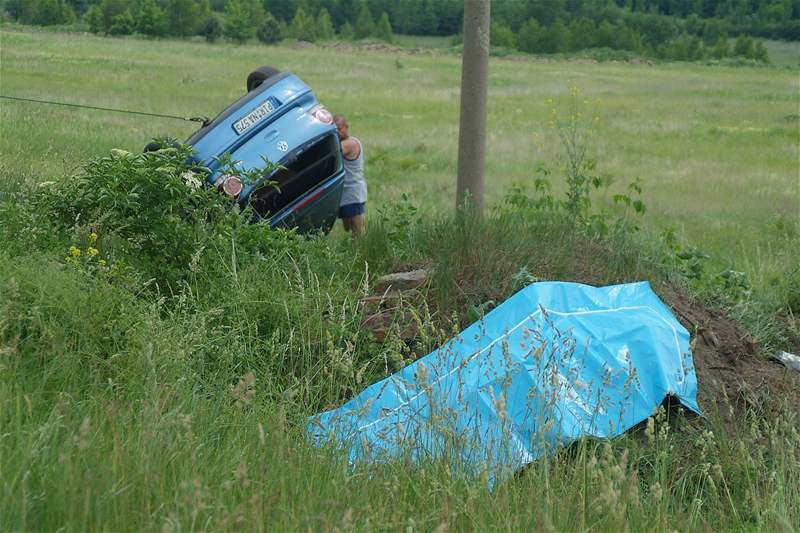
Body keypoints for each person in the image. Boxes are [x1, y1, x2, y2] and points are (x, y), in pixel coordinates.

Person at [334, 114, 367, 235]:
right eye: (334, 129)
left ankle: (362, 251)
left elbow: (333, 151)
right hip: (345, 193)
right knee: (347, 227)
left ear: (346, 127)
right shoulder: (343, 142)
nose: (336, 131)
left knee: (358, 231)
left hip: (353, 192)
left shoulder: (350, 144)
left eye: (339, 128)